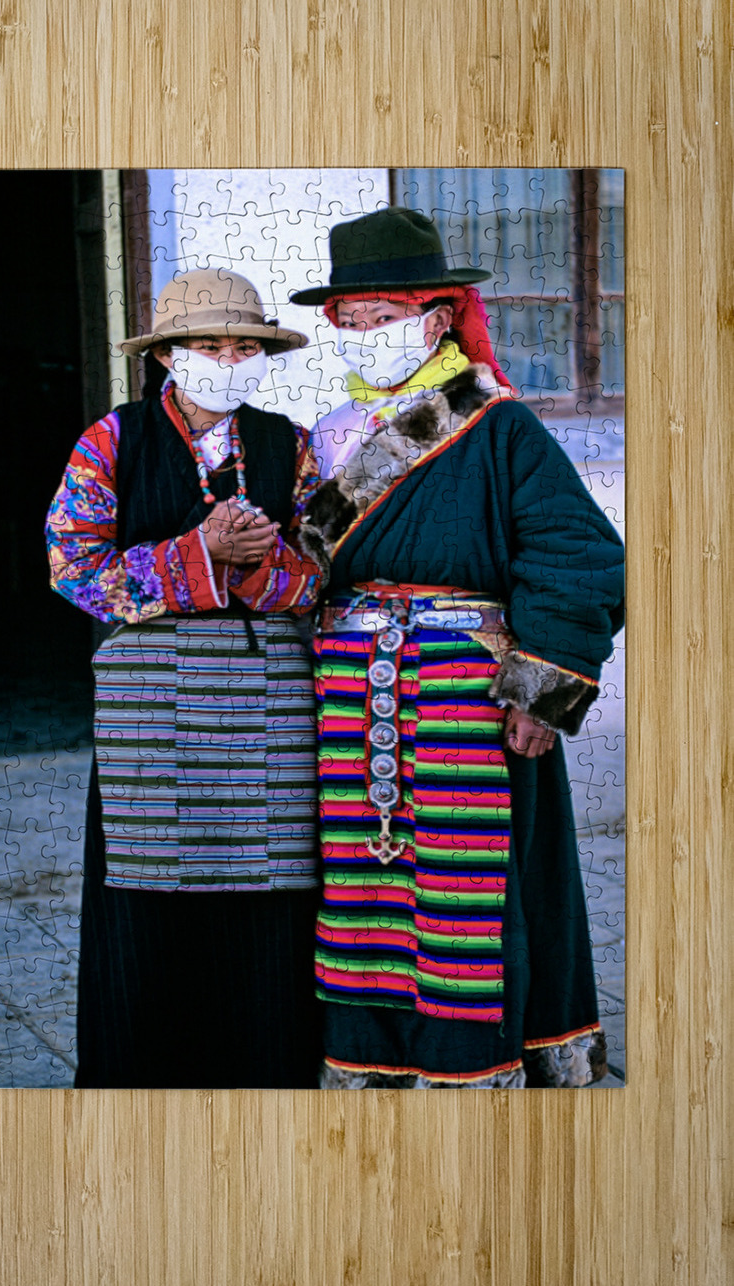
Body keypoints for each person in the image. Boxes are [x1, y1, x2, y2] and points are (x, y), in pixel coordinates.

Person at [290, 207, 625, 1088]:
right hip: (347, 695)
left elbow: (577, 552)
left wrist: (540, 691)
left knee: (464, 885)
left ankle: (470, 1062)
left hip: (467, 695)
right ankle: (370, 1055)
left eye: (386, 317)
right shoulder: (328, 435)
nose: (367, 334)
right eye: (352, 320)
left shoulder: (498, 426)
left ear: (437, 318)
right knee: (361, 883)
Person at [46, 268, 324, 1088]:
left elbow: (322, 569)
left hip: (268, 706)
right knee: (146, 897)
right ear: (167, 355)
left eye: (244, 347)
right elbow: (71, 566)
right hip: (151, 709)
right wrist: (198, 554)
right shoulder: (112, 440)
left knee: (270, 893)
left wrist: (254, 567)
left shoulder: (289, 444)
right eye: (209, 345)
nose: (228, 361)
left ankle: (268, 1080)